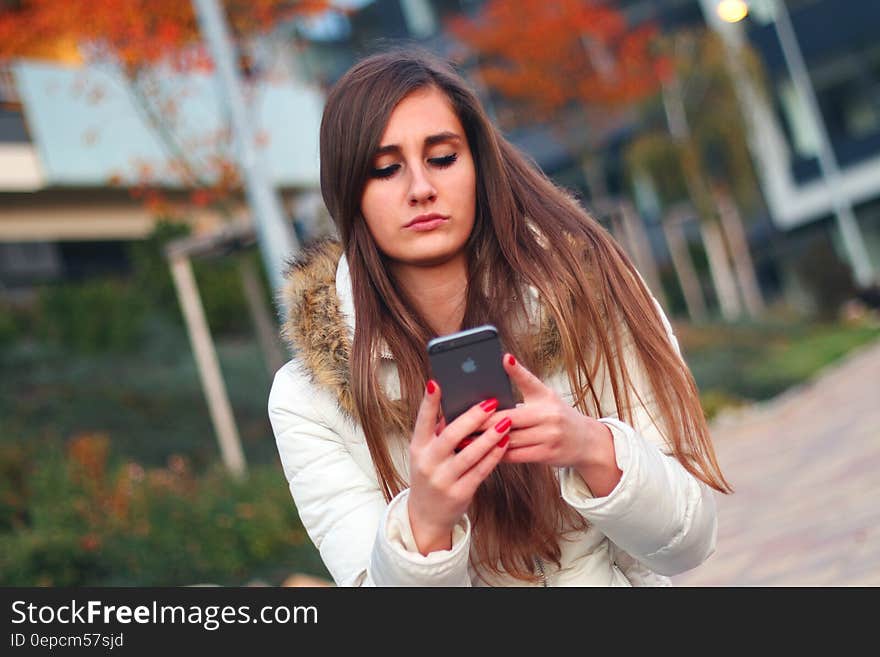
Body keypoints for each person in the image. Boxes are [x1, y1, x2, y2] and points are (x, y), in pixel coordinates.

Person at [268, 48, 732, 587]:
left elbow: (690, 542)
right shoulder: (309, 401)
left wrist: (592, 448)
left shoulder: (588, 293)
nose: (421, 188)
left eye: (442, 158)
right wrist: (425, 523)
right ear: (349, 191)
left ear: (477, 164)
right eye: (386, 169)